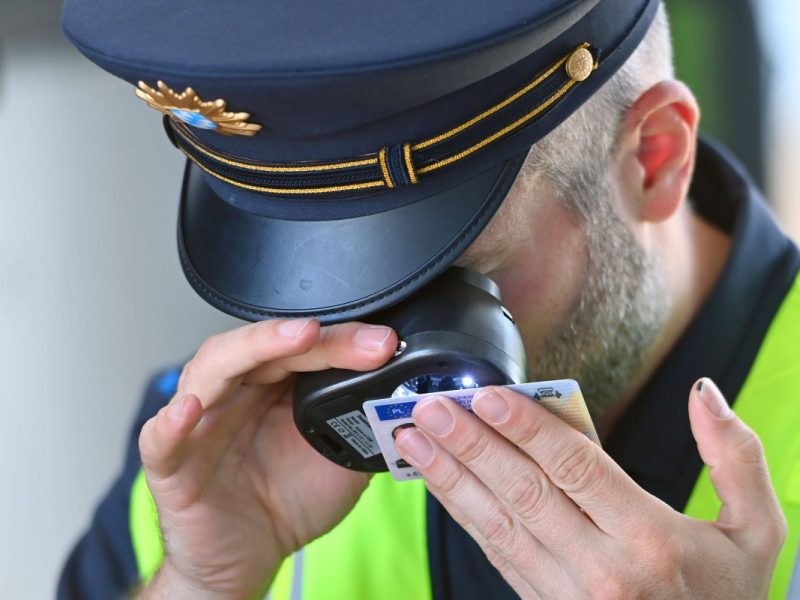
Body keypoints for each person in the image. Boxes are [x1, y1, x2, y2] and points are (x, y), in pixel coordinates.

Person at [58, 0, 800, 598]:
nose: (357, 340)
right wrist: (202, 586)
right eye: (309, 280)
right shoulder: (219, 453)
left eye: (435, 277)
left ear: (654, 158)